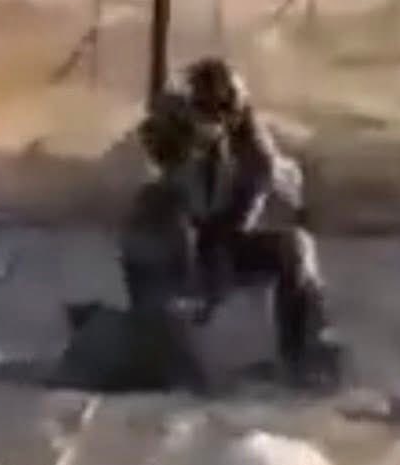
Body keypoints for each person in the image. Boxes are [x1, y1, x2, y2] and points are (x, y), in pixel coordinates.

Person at [122, 58, 341, 387]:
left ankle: (302, 352)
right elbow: (154, 178)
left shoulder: (253, 157)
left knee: (294, 247)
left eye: (220, 110)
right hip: (164, 252)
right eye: (204, 108)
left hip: (216, 246)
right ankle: (151, 333)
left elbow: (240, 217)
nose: (212, 120)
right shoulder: (171, 134)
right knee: (159, 216)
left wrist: (217, 261)